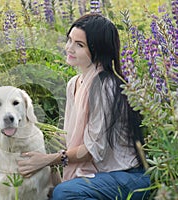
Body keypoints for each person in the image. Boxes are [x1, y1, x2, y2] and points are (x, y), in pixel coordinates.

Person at [17, 13, 151, 199]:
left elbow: (92, 149)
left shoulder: (105, 85)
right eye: (69, 40)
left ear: (97, 51)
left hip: (128, 176)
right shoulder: (74, 83)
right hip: (102, 176)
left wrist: (49, 159)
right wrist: (31, 131)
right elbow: (72, 138)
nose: (69, 48)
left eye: (79, 45)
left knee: (64, 192)